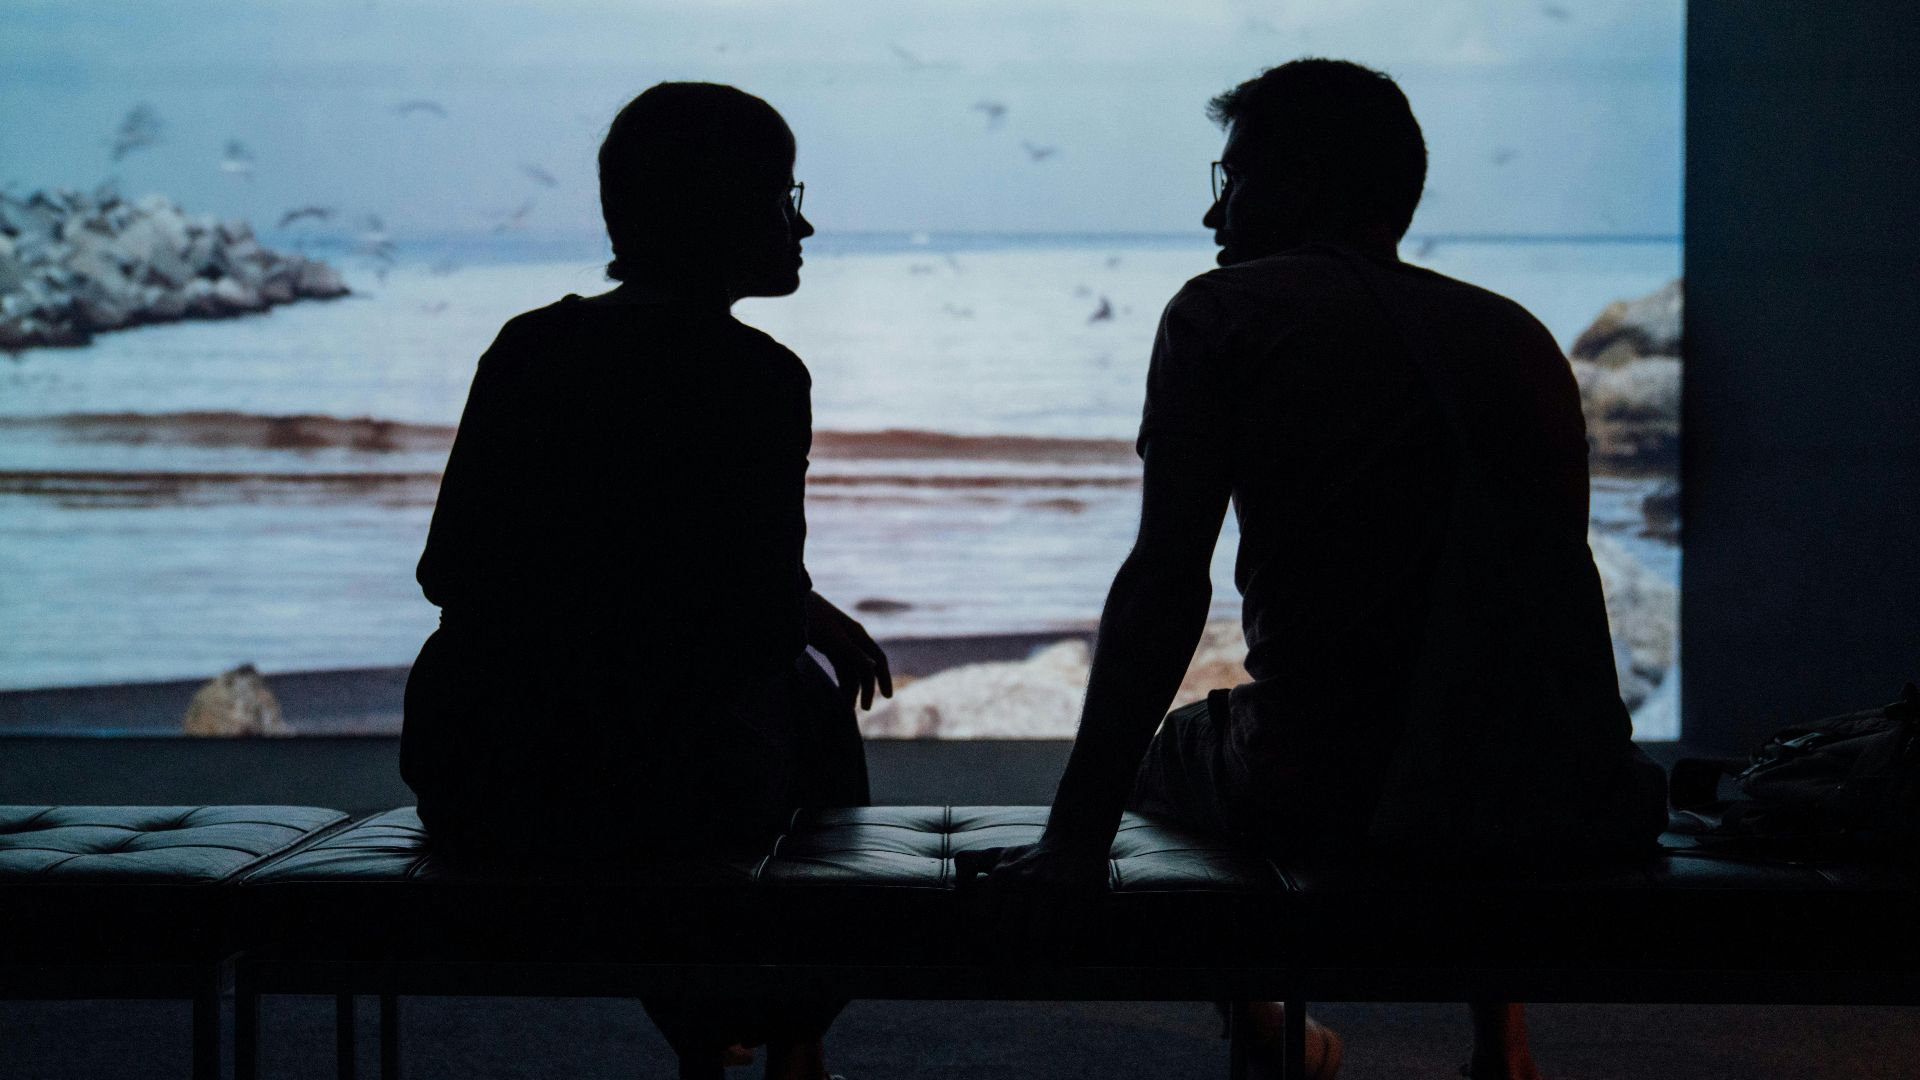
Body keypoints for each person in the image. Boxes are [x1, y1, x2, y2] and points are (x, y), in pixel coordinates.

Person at [959, 59, 1668, 1080]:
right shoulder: (1517, 333)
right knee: (1468, 691)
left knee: (1175, 749)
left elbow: (1167, 581)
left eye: (1233, 176)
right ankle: (1500, 1048)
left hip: (1339, 790)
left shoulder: (1223, 312)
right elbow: (1519, 609)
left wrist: (1074, 843)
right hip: (1566, 792)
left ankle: (1269, 1036)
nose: (1213, 211)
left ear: (1304, 180)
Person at [399, 82, 890, 1080]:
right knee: (794, 705)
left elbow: (449, 569)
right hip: (657, 798)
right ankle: (797, 1037)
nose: (803, 222)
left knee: (657, 715)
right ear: (719, 210)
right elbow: (749, 628)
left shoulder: (531, 344)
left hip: (478, 774)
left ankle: (706, 1044)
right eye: (781, 193)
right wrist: (787, 622)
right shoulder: (756, 373)